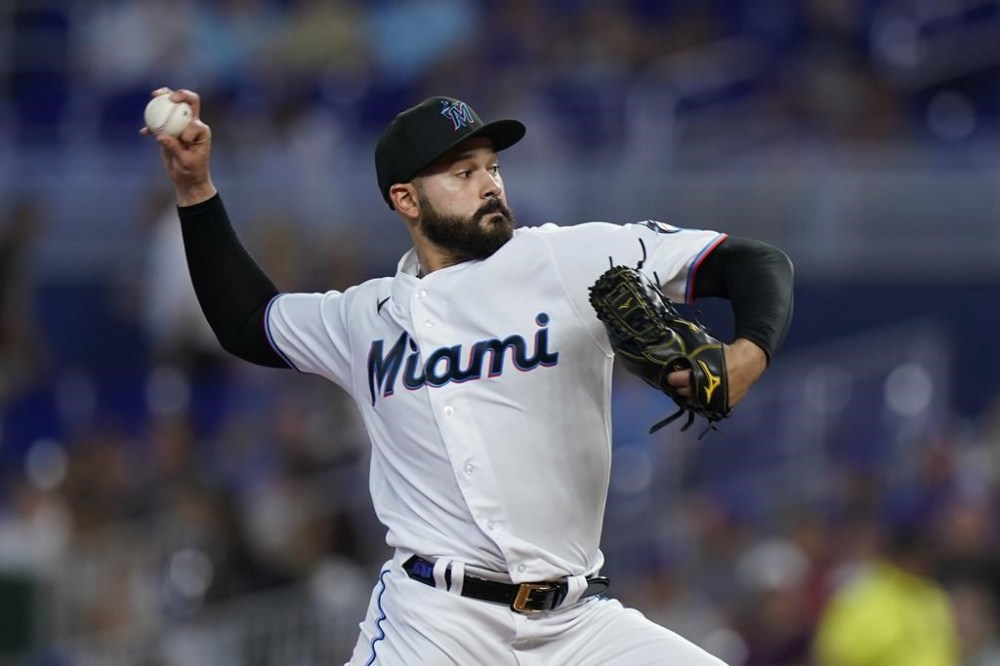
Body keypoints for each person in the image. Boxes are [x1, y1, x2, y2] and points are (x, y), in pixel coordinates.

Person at [146, 87, 794, 665]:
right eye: (463, 172)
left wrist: (748, 353)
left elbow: (753, 262)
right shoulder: (363, 317)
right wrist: (195, 190)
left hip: (578, 627)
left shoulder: (568, 258)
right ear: (406, 198)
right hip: (434, 625)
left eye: (492, 167)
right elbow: (248, 321)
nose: (490, 184)